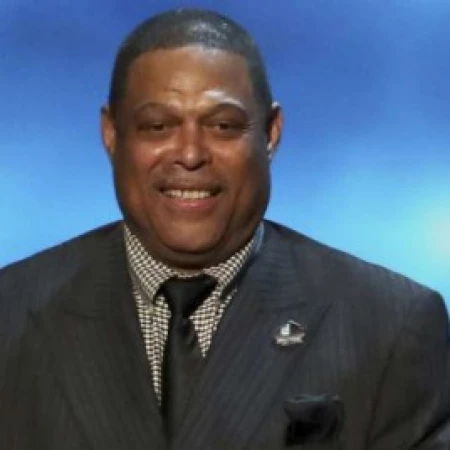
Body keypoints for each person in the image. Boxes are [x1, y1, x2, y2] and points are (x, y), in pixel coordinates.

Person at [0, 8, 449, 450]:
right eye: (157, 126)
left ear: (270, 134)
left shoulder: (390, 327)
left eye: (223, 126)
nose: (190, 154)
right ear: (112, 135)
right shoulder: (11, 313)